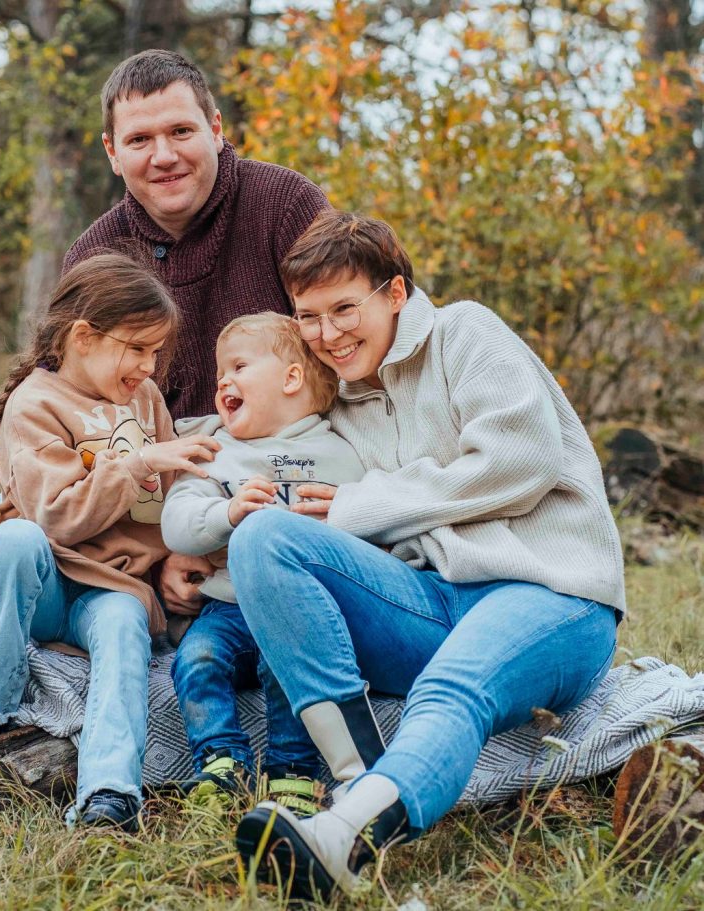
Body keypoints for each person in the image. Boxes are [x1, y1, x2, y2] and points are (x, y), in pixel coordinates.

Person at [229, 211, 625, 900]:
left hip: (549, 595)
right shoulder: (337, 400)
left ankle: (343, 837)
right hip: (430, 600)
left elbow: (520, 461)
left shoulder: (463, 334)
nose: (327, 334)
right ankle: (359, 779)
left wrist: (360, 505)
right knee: (262, 536)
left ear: (394, 294)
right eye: (309, 317)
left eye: (343, 309)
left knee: (451, 686)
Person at [0, 254, 219, 831]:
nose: (149, 366)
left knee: (122, 631)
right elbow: (57, 516)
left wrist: (186, 547)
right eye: (137, 348)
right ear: (83, 337)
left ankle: (110, 793)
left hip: (116, 589)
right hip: (47, 584)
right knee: (14, 539)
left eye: (156, 352)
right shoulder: (35, 405)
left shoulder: (145, 399)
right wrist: (137, 464)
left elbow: (172, 492)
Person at [62, 48, 331, 620]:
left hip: (291, 478)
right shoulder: (94, 258)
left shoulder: (286, 206)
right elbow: (81, 427)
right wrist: (161, 554)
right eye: (139, 140)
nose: (164, 157)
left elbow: (344, 358)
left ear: (215, 128)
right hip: (161, 504)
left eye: (181, 131)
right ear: (112, 152)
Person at [159, 313, 365, 812]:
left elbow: (369, 535)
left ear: (292, 378)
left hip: (301, 612)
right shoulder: (217, 452)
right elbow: (176, 524)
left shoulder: (343, 456)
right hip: (228, 606)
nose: (222, 382)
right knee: (196, 657)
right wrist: (225, 513)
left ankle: (293, 771)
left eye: (238, 367)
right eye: (219, 373)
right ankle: (221, 763)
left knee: (291, 667)